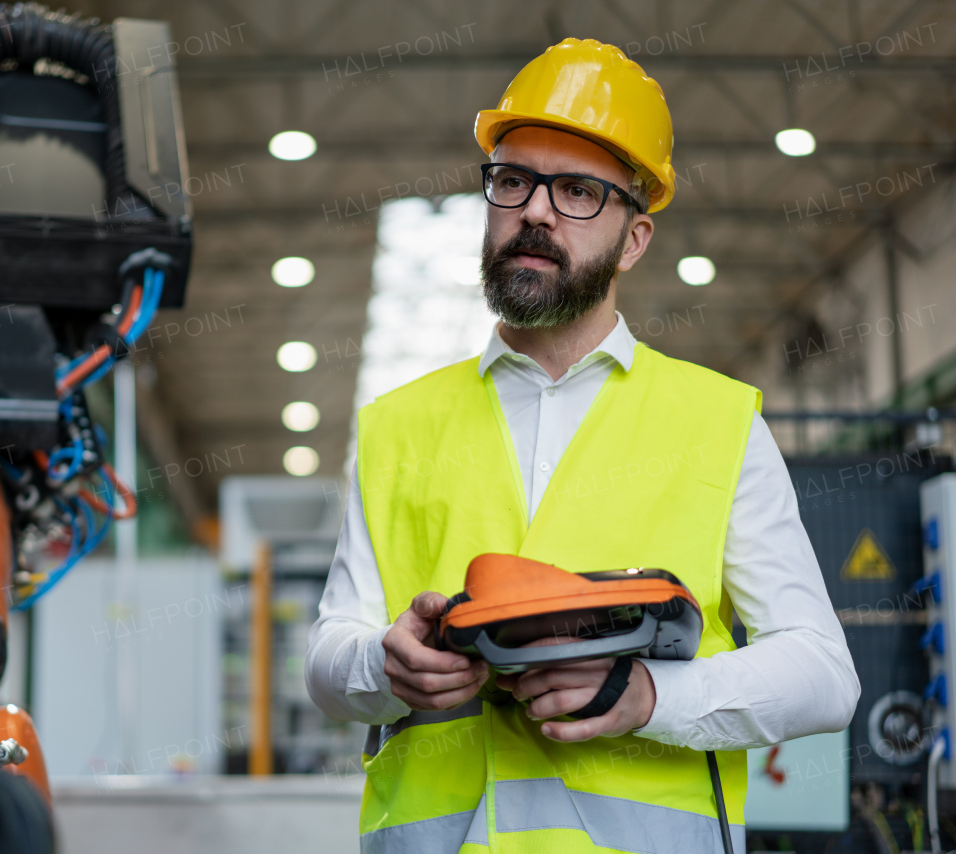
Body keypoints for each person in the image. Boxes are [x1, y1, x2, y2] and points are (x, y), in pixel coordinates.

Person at [305, 38, 859, 853]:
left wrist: (649, 697)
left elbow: (822, 673)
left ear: (635, 240)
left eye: (577, 191)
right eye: (514, 179)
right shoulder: (398, 424)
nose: (535, 210)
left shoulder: (718, 422)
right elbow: (328, 657)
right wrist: (383, 668)